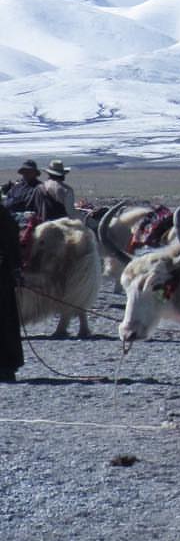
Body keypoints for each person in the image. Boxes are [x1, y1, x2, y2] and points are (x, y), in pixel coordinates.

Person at [0, 201, 24, 381]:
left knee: (4, 320)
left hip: (2, 277)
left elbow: (10, 245)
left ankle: (6, 365)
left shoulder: (3, 216)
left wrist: (15, 268)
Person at [1, 160, 65, 221]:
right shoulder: (16, 187)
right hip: (11, 217)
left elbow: (27, 204)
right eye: (24, 171)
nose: (26, 174)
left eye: (29, 171)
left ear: (35, 173)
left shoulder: (40, 188)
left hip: (28, 220)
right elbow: (6, 202)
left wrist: (14, 201)